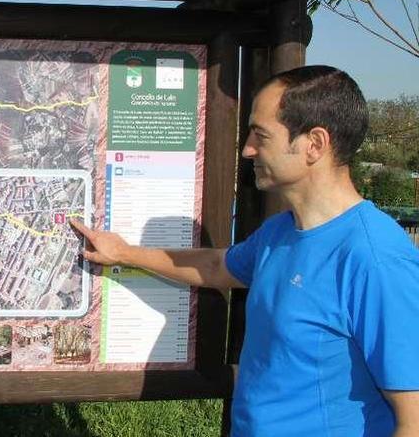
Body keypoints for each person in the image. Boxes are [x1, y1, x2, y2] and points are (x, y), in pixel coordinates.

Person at [71, 65, 419, 436]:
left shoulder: (375, 258)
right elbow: (217, 265)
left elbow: (412, 420)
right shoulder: (281, 232)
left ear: (314, 144)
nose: (248, 149)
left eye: (261, 135)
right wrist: (124, 253)